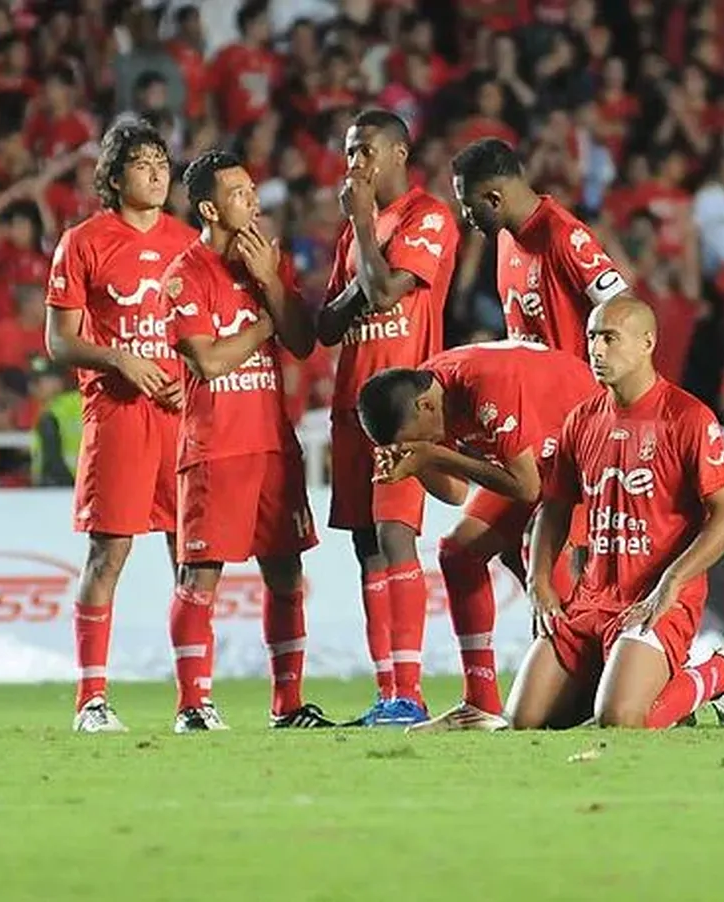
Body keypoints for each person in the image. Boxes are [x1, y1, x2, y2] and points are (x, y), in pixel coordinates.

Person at [506, 296, 724, 731]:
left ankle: (719, 673)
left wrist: (672, 581)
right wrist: (538, 579)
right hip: (589, 601)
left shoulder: (687, 417)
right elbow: (556, 506)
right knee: (524, 721)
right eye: (592, 338)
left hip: (656, 600)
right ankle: (635, 684)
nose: (596, 350)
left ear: (647, 343)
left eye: (610, 338)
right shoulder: (581, 420)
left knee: (621, 720)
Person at [162, 150, 331, 731]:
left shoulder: (268, 262)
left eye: (253, 190)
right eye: (238, 194)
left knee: (286, 576)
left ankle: (288, 705)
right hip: (216, 449)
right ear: (210, 209)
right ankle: (193, 706)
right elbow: (209, 362)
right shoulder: (185, 274)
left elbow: (303, 342)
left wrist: (271, 283)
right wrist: (263, 324)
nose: (253, 201)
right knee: (199, 578)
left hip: (273, 447)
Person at [44, 119, 199, 733]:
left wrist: (191, 375)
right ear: (113, 177)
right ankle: (92, 700)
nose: (157, 173)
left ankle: (195, 701)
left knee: (191, 555)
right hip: (116, 416)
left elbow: (205, 329)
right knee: (109, 552)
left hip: (180, 418)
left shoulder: (189, 242)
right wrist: (120, 359)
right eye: (142, 163)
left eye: (162, 162)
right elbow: (59, 341)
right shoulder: (83, 242)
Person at [358, 340, 600, 731]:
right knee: (458, 553)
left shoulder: (484, 385)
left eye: (414, 439)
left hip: (590, 451)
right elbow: (455, 491)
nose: (421, 445)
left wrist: (433, 455)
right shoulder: (430, 394)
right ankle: (480, 703)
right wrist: (415, 464)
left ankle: (592, 685)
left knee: (540, 558)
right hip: (541, 461)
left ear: (425, 407)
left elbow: (526, 488)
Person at [317, 109, 459, 726]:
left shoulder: (428, 216)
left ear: (400, 152)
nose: (355, 164)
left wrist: (360, 225)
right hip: (353, 406)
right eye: (350, 152)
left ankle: (411, 692)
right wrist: (359, 255)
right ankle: (389, 693)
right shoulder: (356, 235)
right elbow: (327, 325)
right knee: (365, 547)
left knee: (395, 535)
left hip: (402, 409)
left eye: (366, 151)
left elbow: (381, 293)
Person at [451, 137, 629, 357]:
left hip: (570, 379)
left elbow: (623, 310)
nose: (465, 215)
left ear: (494, 199)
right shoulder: (505, 238)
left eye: (469, 206)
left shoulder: (563, 235)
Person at [30, 357, 82, 487]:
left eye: (38, 381)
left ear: (58, 382)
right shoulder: (44, 410)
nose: (33, 386)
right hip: (84, 485)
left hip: (63, 486)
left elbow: (52, 461)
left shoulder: (53, 413)